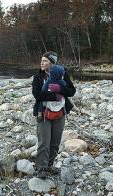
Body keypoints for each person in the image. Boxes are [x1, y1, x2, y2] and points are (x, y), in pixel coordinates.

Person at [32, 51, 76, 179]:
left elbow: (72, 91)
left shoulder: (63, 75)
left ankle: (49, 166)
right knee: (44, 142)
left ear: (52, 63)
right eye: (41, 60)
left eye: (45, 61)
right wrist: (56, 96)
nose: (41, 62)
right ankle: (41, 168)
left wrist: (60, 90)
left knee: (55, 142)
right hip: (43, 113)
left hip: (60, 113)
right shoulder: (38, 77)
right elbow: (37, 95)